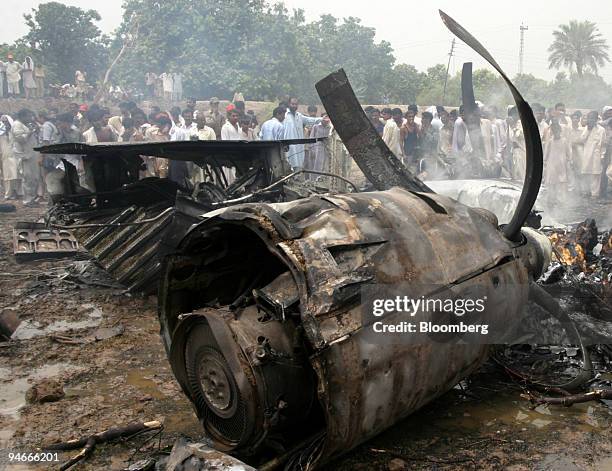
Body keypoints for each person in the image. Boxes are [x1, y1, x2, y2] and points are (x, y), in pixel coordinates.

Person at [282, 97, 321, 171]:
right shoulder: (284, 115)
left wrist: (322, 119)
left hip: (298, 147)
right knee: (287, 167)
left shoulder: (299, 116)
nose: (294, 106)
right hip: (288, 146)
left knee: (298, 167)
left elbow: (310, 120)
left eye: (296, 104)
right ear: (289, 104)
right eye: (292, 104)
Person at [12, 109, 40, 205]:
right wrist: (30, 132)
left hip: (31, 154)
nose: (30, 118)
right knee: (28, 177)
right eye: (28, 116)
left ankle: (32, 197)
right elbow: (20, 138)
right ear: (22, 116)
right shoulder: (17, 125)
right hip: (25, 155)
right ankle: (28, 200)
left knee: (34, 177)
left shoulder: (25, 125)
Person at [578, 111, 607, 198]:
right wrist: (588, 130)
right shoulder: (586, 129)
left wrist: (602, 155)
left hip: (596, 155)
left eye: (592, 118)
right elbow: (582, 140)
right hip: (586, 154)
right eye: (589, 118)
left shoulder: (601, 130)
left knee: (596, 174)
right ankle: (585, 192)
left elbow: (604, 144)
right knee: (585, 173)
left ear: (596, 119)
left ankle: (594, 194)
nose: (591, 120)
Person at [543, 121, 571, 206]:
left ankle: (561, 201)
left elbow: (568, 153)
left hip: (561, 164)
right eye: (553, 131)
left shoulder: (564, 141)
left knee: (561, 183)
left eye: (557, 130)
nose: (555, 132)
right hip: (551, 164)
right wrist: (545, 162)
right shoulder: (550, 141)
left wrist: (568, 161)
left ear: (560, 130)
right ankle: (551, 199)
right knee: (551, 182)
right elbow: (546, 152)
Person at [0, 114, 22, 199]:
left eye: (6, 122)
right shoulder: (1, 134)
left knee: (17, 174)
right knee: (8, 176)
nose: (5, 124)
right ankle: (9, 193)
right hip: (5, 157)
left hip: (15, 156)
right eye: (3, 122)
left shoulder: (14, 132)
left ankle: (18, 192)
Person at [508, 107, 525, 182]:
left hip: (522, 150)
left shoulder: (521, 123)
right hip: (514, 151)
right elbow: (510, 138)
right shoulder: (510, 125)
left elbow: (519, 135)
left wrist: (514, 128)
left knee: (522, 170)